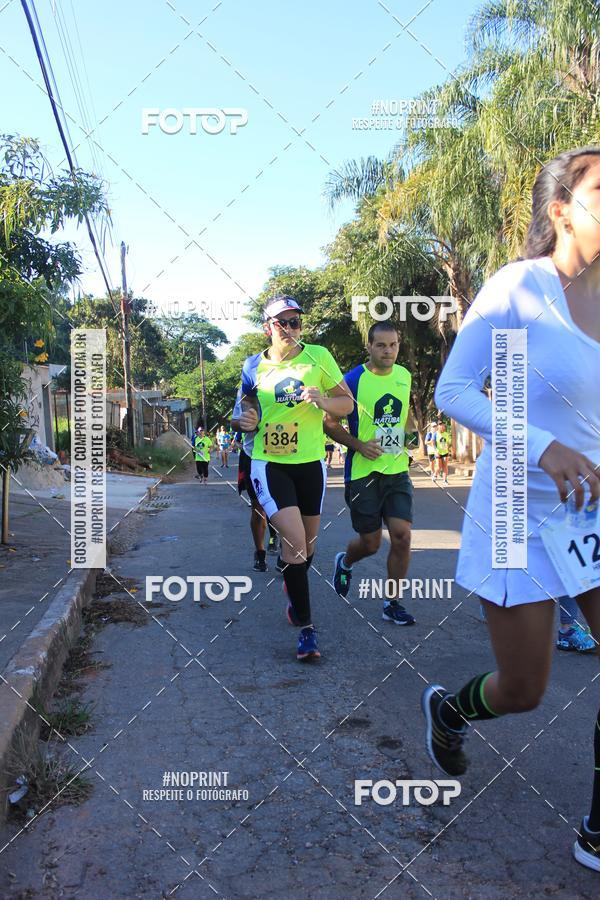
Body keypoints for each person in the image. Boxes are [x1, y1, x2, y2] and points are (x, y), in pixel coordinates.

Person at [420, 147, 600, 872]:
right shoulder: (518, 289)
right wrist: (541, 444)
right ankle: (454, 709)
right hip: (515, 514)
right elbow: (455, 392)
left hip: (591, 510)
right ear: (561, 211)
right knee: (523, 690)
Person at [234, 296, 353, 661]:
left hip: (311, 463)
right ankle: (306, 630)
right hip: (270, 463)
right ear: (266, 327)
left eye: (295, 322)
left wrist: (323, 401)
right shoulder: (253, 366)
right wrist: (246, 421)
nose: (289, 329)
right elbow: (245, 412)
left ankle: (292, 587)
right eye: (281, 322)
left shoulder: (318, 356)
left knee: (308, 547)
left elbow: (346, 403)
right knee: (296, 542)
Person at [327, 320, 415, 626]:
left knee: (402, 537)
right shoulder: (352, 381)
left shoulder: (404, 375)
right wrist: (359, 445)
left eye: (393, 345)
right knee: (371, 543)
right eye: (381, 345)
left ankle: (392, 602)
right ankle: (345, 561)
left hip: (396, 470)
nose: (388, 351)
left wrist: (410, 442)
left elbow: (405, 418)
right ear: (369, 346)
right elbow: (330, 424)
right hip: (362, 474)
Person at [231, 403, 279, 571]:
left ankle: (286, 553)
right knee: (258, 508)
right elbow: (235, 422)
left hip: (286, 456)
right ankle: (260, 554)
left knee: (287, 505)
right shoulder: (249, 382)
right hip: (254, 456)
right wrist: (246, 422)